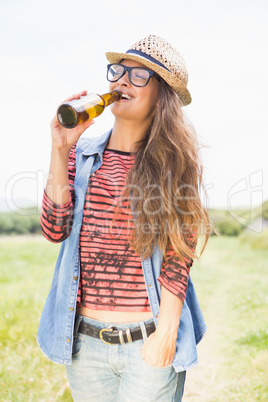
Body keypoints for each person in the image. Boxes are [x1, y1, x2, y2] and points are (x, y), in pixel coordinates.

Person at [37, 34, 211, 401]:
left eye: (138, 76)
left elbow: (180, 256)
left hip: (146, 342)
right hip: (84, 344)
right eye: (118, 72)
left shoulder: (174, 165)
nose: (121, 82)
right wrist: (59, 149)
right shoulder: (79, 156)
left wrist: (165, 333)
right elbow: (54, 230)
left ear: (161, 95)